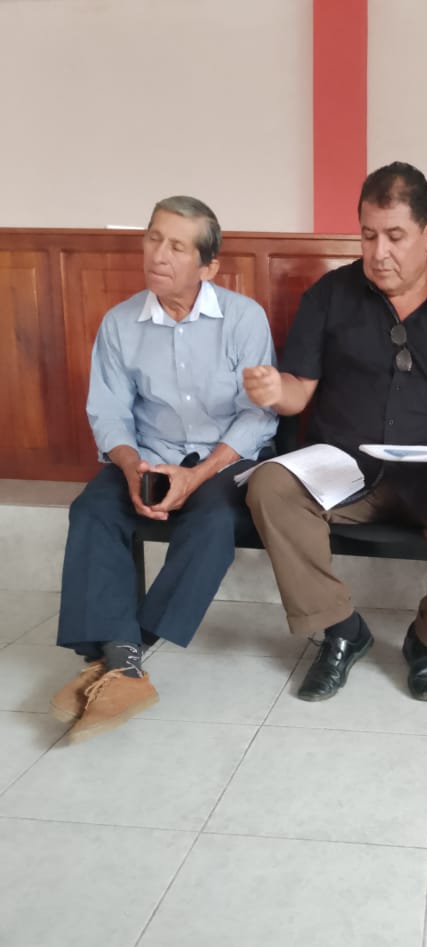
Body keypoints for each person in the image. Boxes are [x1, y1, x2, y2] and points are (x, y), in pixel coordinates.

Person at [243, 162, 427, 702]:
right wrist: (274, 390)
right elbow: (299, 390)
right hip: (345, 466)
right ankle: (341, 630)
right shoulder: (329, 295)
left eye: (395, 236)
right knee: (269, 487)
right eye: (368, 235)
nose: (379, 252)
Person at [52, 196, 278, 742]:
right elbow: (108, 412)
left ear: (208, 267)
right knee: (92, 510)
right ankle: (124, 664)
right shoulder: (119, 322)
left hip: (223, 459)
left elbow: (258, 415)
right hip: (148, 455)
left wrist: (197, 476)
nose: (158, 254)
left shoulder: (243, 318)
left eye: (177, 246)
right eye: (154, 238)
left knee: (214, 522)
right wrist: (131, 467)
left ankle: (125, 650)